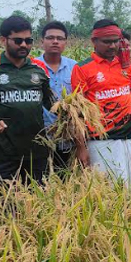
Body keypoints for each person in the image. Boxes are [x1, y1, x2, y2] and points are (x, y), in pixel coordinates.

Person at [0, 16, 55, 199]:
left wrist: (69, 109)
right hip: (2, 154)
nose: (24, 45)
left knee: (37, 206)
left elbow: (49, 102)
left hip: (36, 152)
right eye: (18, 40)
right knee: (1, 207)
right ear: (3, 40)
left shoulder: (40, 69)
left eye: (28, 40)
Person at [72, 19, 131, 187]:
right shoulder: (82, 68)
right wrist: (81, 147)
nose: (112, 46)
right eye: (107, 42)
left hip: (129, 137)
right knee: (108, 188)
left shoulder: (126, 65)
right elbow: (77, 111)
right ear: (94, 41)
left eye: (116, 41)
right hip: (101, 140)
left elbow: (129, 92)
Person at [35, 21, 77, 171]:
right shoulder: (32, 67)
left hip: (69, 136)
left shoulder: (75, 67)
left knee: (66, 176)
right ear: (42, 41)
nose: (55, 41)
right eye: (50, 37)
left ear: (65, 42)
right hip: (40, 136)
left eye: (60, 38)